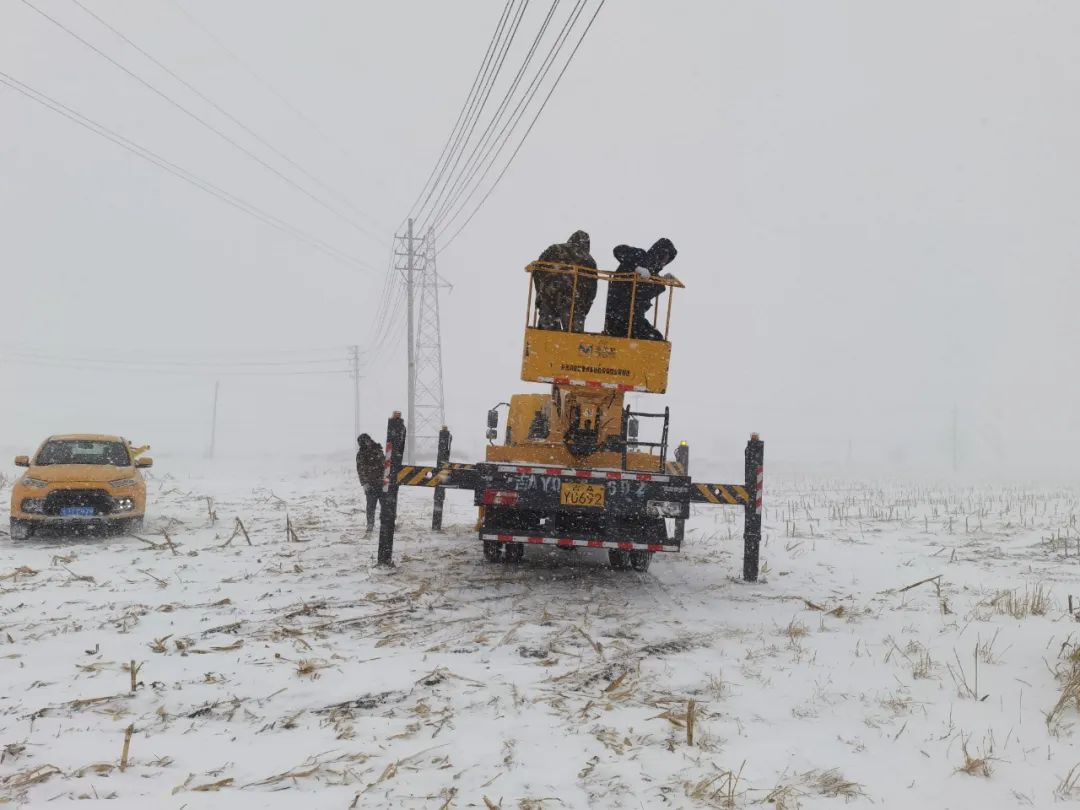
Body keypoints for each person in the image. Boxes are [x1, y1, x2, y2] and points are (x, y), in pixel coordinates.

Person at [603, 238, 677, 340]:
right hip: (619, 317)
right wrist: (636, 268)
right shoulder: (640, 256)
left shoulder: (653, 276)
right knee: (654, 340)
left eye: (667, 260)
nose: (664, 262)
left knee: (657, 338)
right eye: (664, 257)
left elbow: (643, 296)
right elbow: (618, 250)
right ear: (659, 253)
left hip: (635, 319)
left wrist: (662, 281)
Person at [535, 230, 597, 331]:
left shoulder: (554, 248)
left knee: (545, 336)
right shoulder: (589, 260)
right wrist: (584, 309)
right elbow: (592, 290)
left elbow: (537, 270)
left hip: (548, 297)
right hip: (574, 302)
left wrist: (541, 293)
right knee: (573, 339)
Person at [355, 433, 386, 534]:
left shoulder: (378, 450)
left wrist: (387, 480)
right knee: (371, 506)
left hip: (382, 483)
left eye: (366, 441)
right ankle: (370, 525)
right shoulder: (361, 455)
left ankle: (386, 524)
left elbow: (385, 465)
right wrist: (364, 483)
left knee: (385, 506)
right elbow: (360, 470)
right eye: (363, 442)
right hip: (371, 485)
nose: (365, 443)